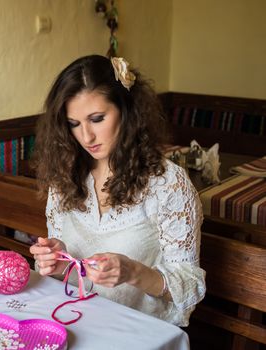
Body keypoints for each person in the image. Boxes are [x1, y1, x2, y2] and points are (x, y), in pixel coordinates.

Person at [29, 54, 205, 326]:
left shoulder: (167, 183)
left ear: (126, 109)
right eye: (74, 124)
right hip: (75, 319)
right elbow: (69, 267)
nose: (86, 137)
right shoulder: (64, 174)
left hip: (137, 331)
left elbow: (190, 286)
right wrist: (59, 261)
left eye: (97, 118)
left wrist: (133, 272)